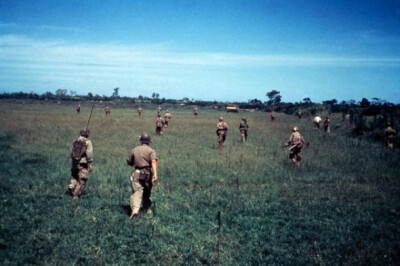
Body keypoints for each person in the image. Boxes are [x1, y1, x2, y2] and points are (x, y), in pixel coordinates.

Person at [126, 133, 158, 219]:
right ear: (149, 141)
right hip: (148, 173)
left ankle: (135, 211)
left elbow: (129, 161)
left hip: (137, 172)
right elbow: (154, 161)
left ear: (141, 141)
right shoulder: (151, 150)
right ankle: (146, 208)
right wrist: (155, 174)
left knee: (137, 191)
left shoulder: (135, 150)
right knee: (147, 192)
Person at [68, 128, 94, 199]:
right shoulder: (88, 142)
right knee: (82, 179)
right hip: (83, 163)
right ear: (87, 134)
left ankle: (72, 185)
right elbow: (89, 153)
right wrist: (90, 163)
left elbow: (72, 152)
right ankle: (76, 195)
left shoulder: (76, 141)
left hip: (75, 162)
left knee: (75, 176)